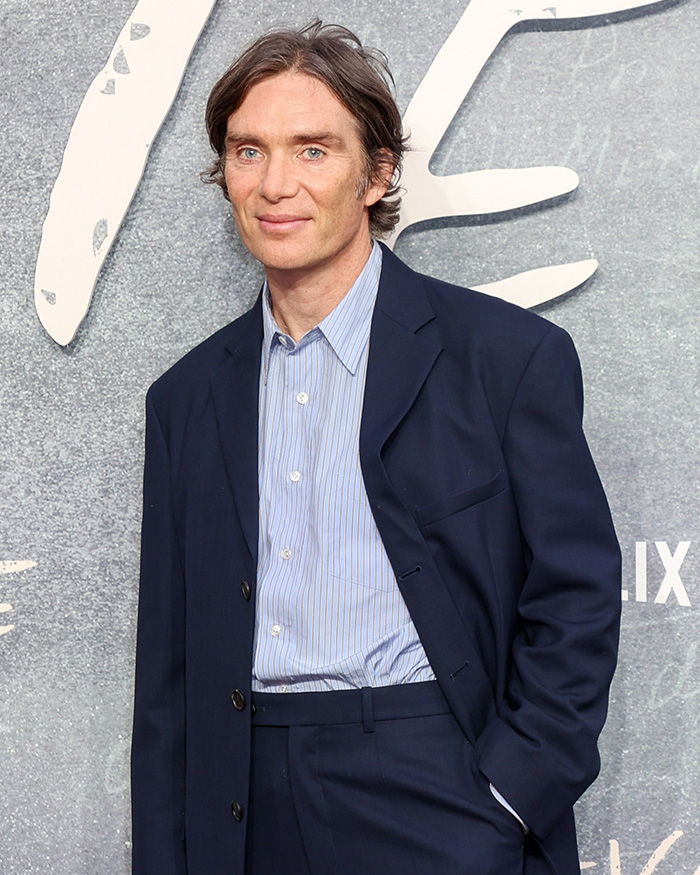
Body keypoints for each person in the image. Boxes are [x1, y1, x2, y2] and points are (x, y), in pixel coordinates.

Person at [131, 20, 621, 875]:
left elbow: (577, 597)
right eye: (248, 152)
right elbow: (168, 681)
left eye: (313, 150)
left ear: (378, 173)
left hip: (440, 787)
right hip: (243, 803)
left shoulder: (505, 359)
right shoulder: (185, 400)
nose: (275, 183)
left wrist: (510, 792)